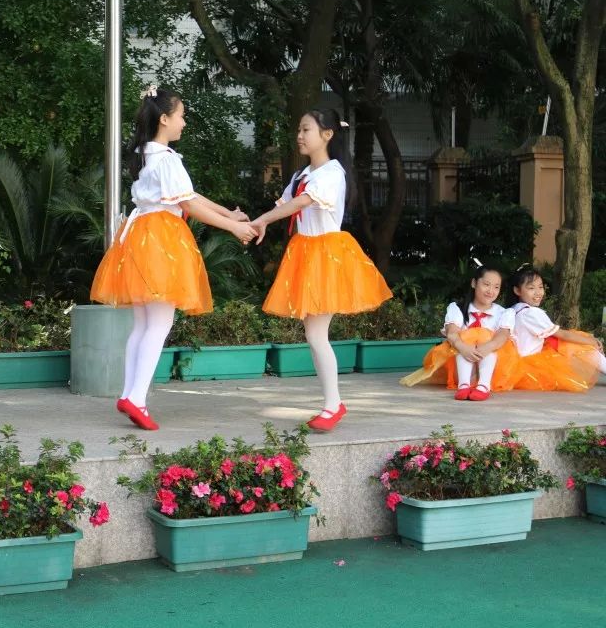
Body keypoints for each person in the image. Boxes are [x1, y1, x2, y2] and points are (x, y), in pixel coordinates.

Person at [90, 84, 257, 430]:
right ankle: (136, 398)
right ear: (164, 119)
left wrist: (229, 213)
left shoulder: (151, 157)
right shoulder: (166, 159)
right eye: (181, 116)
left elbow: (189, 196)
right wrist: (233, 227)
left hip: (140, 238)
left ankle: (130, 393)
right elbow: (189, 204)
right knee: (160, 323)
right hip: (161, 241)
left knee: (142, 324)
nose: (184, 122)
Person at [247, 108, 392, 431]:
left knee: (316, 335)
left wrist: (262, 221)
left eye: (306, 130)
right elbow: (284, 204)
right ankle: (332, 404)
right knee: (314, 335)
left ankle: (333, 405)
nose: (300, 135)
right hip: (307, 253)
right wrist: (251, 222)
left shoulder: (331, 173)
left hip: (326, 256)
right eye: (299, 129)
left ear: (327, 135)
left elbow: (300, 204)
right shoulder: (303, 175)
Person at [400, 262, 517, 400]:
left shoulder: (504, 313)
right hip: (461, 366)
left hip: (494, 369)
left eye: (496, 287)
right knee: (463, 343)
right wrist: (464, 348)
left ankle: (483, 386)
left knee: (487, 340)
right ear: (474, 283)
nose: (491, 290)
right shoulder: (458, 309)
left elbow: (502, 337)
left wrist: (486, 347)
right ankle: (463, 385)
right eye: (486, 284)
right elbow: (452, 334)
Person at [496, 265, 606, 392]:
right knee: (580, 343)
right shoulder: (531, 313)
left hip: (516, 366)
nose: (538, 293)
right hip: (530, 368)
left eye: (540, 287)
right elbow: (562, 335)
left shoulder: (515, 309)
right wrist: (591, 341)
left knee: (573, 341)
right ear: (517, 290)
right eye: (531, 288)